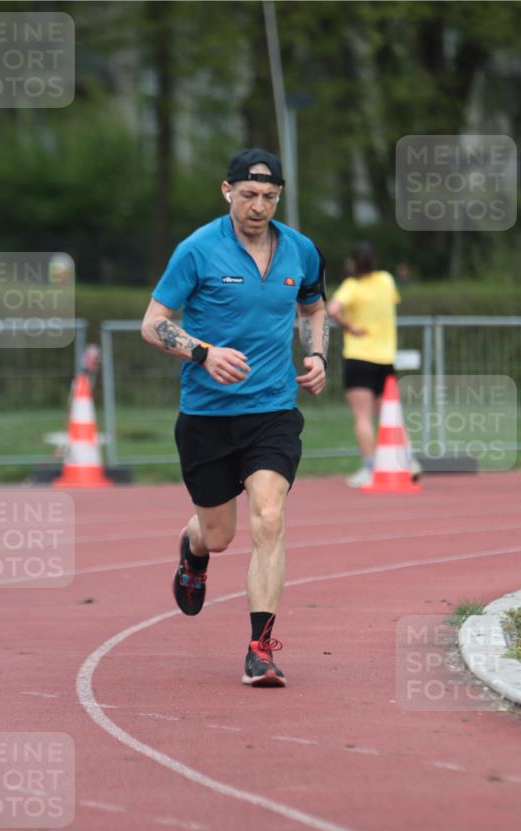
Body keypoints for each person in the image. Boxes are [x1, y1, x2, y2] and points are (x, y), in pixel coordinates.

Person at [141, 148, 328, 688]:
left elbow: (313, 308)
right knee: (220, 535)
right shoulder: (197, 250)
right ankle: (192, 549)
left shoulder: (302, 251)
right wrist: (203, 352)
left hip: (272, 410)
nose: (258, 206)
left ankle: (260, 648)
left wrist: (316, 355)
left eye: (269, 197)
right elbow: (153, 324)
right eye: (248, 194)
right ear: (227, 192)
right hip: (207, 416)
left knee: (269, 517)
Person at [327, 243, 417, 487]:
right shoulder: (386, 280)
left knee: (362, 417)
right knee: (391, 415)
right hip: (386, 358)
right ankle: (408, 459)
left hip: (359, 357)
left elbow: (332, 309)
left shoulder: (352, 287)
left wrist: (350, 327)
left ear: (353, 263)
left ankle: (370, 467)